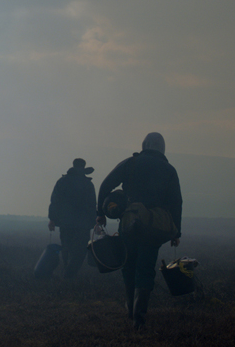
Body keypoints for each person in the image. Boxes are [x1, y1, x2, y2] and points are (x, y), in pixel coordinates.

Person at [96, 132, 182, 330]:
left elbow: (105, 185)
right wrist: (176, 232)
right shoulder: (169, 170)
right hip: (153, 228)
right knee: (145, 269)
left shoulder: (130, 163)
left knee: (129, 267)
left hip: (128, 224)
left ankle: (130, 312)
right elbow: (176, 203)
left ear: (144, 145)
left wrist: (101, 212)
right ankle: (139, 319)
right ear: (162, 148)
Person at [48, 158, 97, 279]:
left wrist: (52, 219)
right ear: (83, 167)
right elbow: (92, 205)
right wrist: (95, 223)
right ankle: (68, 275)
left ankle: (67, 274)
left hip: (66, 223)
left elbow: (54, 202)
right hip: (83, 225)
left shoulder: (62, 181)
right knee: (80, 252)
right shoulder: (88, 184)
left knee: (66, 249)